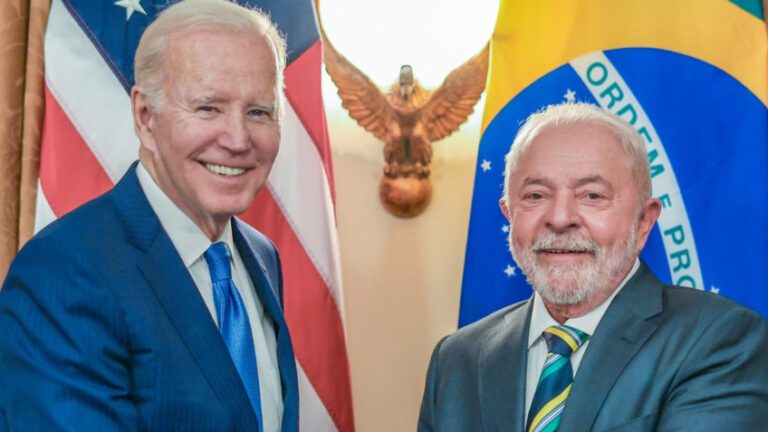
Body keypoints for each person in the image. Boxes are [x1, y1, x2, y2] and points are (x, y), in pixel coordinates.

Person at [0, 1, 298, 430]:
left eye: (259, 112)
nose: (237, 139)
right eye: (208, 107)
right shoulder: (62, 272)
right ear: (145, 116)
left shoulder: (261, 256)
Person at [418, 102, 768, 431]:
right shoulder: (456, 358)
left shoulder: (722, 340)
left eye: (592, 196)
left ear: (644, 222)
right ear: (509, 216)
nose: (559, 218)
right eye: (536, 196)